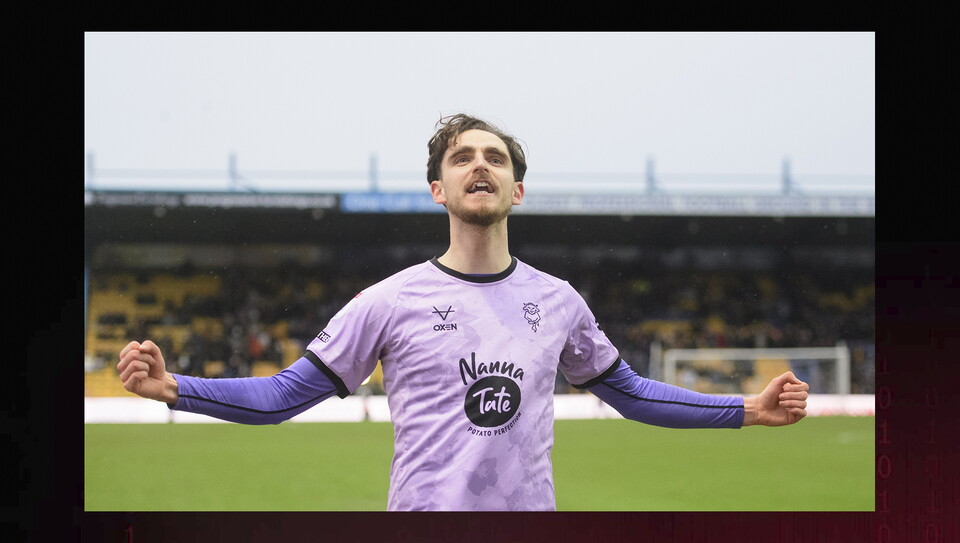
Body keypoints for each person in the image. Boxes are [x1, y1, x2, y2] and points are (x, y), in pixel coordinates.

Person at [117, 113, 809, 511]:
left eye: (495, 157)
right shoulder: (388, 300)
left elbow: (629, 393)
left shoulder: (560, 300)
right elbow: (281, 395)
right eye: (462, 157)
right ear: (437, 188)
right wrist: (174, 387)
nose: (480, 165)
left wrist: (745, 409)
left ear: (519, 188)